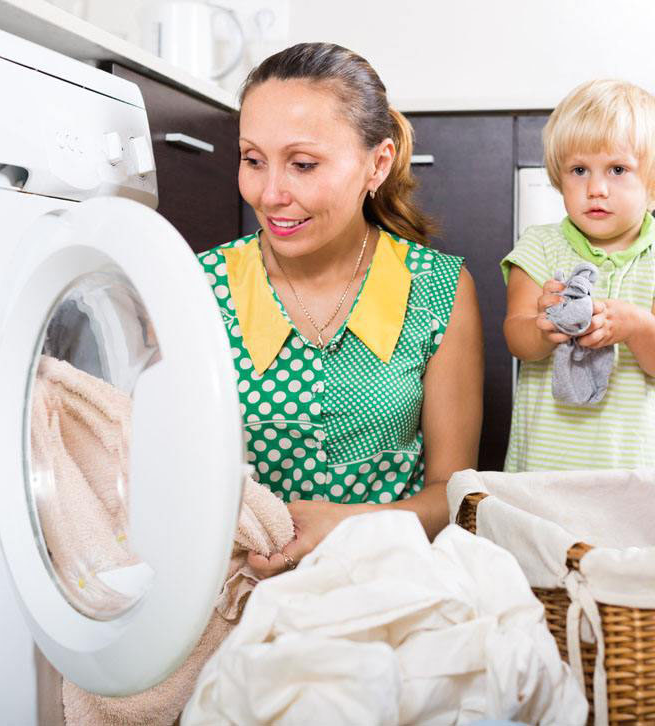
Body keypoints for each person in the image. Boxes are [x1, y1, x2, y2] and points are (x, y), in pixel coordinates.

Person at [198, 42, 483, 577]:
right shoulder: (201, 287)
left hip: (389, 581)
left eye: (303, 164)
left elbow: (456, 496)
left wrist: (350, 526)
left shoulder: (439, 289)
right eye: (253, 160)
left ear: (378, 163)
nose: (271, 193)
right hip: (232, 591)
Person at [502, 79, 655, 472]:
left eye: (618, 169)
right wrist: (543, 324)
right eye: (579, 169)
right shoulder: (538, 246)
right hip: (545, 471)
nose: (596, 188)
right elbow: (517, 338)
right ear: (557, 176)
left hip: (636, 474)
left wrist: (636, 326)